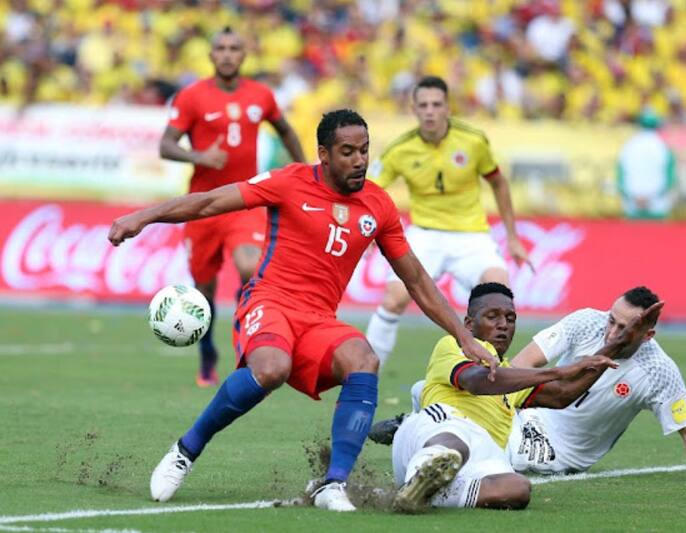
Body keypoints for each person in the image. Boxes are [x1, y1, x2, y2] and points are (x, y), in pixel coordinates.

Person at [108, 109, 498, 513]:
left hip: (318, 319)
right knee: (271, 368)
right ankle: (186, 451)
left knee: (363, 360)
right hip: (269, 300)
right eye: (348, 152)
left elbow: (417, 279)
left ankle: (332, 484)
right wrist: (143, 217)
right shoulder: (288, 181)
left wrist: (463, 337)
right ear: (324, 155)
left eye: (364, 150)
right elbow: (210, 203)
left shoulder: (378, 205)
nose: (359, 160)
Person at [390, 282, 661, 513]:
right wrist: (558, 370)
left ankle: (425, 493)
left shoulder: (513, 375)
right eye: (493, 316)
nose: (503, 325)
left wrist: (616, 345)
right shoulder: (455, 345)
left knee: (517, 489)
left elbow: (563, 395)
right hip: (440, 427)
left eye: (510, 318)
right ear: (469, 324)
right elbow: (478, 381)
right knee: (454, 443)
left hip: (483, 453)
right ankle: (422, 473)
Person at [160, 27, 306, 387]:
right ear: (211, 55)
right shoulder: (192, 96)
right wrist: (199, 155)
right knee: (204, 292)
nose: (227, 54)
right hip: (201, 207)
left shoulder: (261, 95)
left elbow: (285, 129)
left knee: (248, 267)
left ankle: (248, 346)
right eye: (221, 48)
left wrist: (305, 172)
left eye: (234, 48)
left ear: (244, 55)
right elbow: (166, 145)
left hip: (244, 200)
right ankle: (207, 349)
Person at [366, 75, 531, 368]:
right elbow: (370, 193)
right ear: (414, 109)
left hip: (471, 236)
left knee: (499, 295)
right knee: (393, 299)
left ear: (447, 108)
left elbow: (499, 183)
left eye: (436, 104)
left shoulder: (473, 140)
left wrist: (513, 238)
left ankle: (493, 375)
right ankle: (364, 375)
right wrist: (365, 233)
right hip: (425, 235)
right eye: (423, 105)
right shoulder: (399, 150)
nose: (430, 110)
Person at [507, 286, 686, 485]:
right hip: (522, 415)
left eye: (623, 328)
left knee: (481, 445)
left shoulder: (658, 370)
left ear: (647, 335)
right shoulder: (586, 322)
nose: (611, 333)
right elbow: (520, 364)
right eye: (611, 320)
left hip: (556, 450)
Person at [616, 111, 677, 219]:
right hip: (657, 206)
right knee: (658, 236)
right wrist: (651, 199)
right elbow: (670, 178)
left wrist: (634, 197)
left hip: (632, 206)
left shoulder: (628, 146)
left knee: (631, 236)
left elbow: (620, 176)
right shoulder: (664, 147)